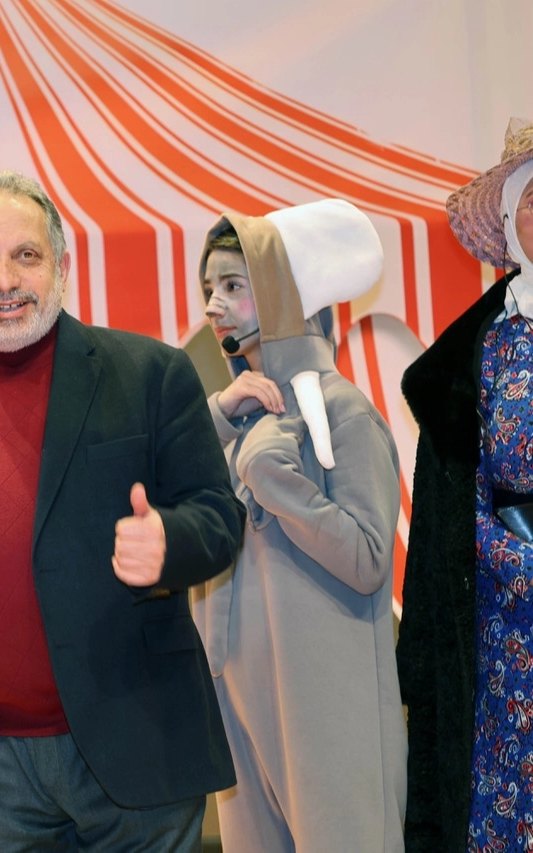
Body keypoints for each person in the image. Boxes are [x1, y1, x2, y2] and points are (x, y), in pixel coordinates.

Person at [0, 170, 243, 852]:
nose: (5, 280)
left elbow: (217, 515)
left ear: (61, 267)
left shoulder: (149, 374)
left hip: (135, 735)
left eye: (26, 255)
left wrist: (171, 540)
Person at [189, 199, 406, 851]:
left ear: (285, 294)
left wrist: (276, 482)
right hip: (238, 705)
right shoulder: (237, 419)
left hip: (327, 712)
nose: (213, 306)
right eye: (208, 289)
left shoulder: (343, 412)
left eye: (233, 285)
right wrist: (218, 419)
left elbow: (369, 558)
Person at [398, 117, 533, 852]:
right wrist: (510, 559)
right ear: (508, 222)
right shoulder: (481, 348)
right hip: (503, 626)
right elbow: (456, 499)